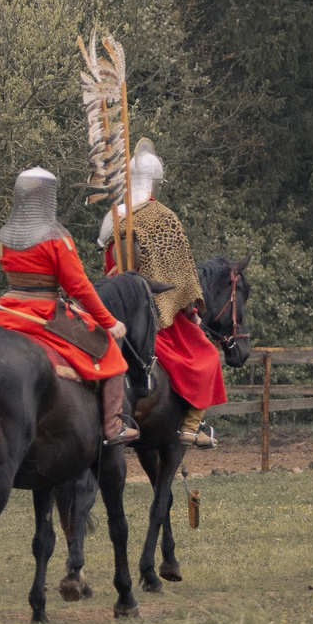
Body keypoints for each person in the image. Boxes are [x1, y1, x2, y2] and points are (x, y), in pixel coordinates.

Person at [0, 166, 138, 443]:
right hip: (42, 313)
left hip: (4, 312)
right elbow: (79, 287)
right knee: (111, 355)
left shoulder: (7, 235)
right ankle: (113, 426)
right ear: (48, 197)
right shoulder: (56, 237)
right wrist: (110, 322)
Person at [99, 138, 226, 445]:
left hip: (117, 309)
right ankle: (191, 427)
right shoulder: (163, 219)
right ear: (154, 183)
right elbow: (180, 278)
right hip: (156, 316)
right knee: (207, 354)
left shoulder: (113, 218)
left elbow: (107, 267)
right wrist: (191, 313)